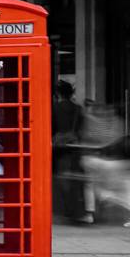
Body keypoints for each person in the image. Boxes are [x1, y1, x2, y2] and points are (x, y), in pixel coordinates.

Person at [77, 102, 130, 228]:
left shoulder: (103, 123)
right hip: (125, 163)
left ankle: (92, 211)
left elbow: (99, 142)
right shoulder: (120, 124)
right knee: (129, 190)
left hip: (109, 163)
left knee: (95, 186)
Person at [52, 81, 85, 220]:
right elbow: (82, 128)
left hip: (60, 148)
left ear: (58, 93)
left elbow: (51, 128)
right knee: (75, 178)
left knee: (62, 177)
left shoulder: (54, 108)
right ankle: (77, 208)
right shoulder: (78, 109)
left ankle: (67, 208)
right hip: (75, 147)